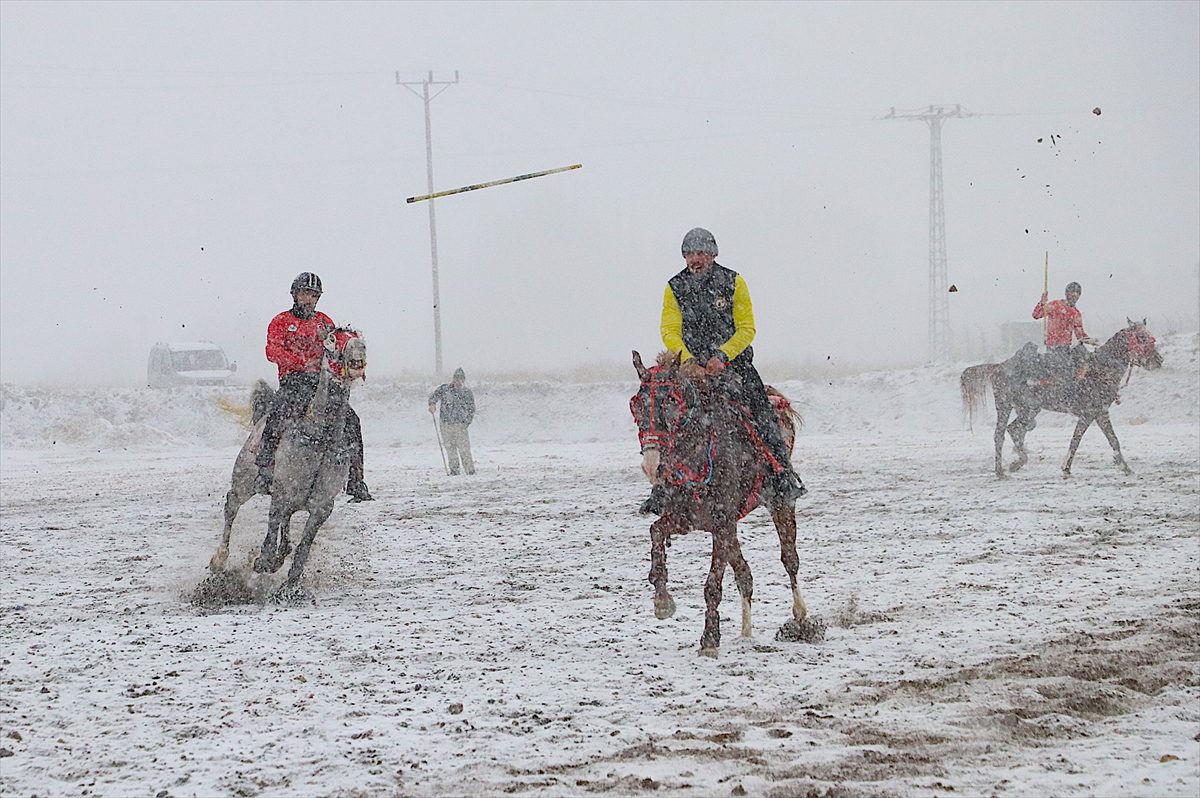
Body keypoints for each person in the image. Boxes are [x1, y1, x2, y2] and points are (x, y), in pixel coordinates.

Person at [640, 227, 807, 515]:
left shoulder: (733, 282)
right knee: (668, 418)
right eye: (689, 253)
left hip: (735, 365)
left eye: (701, 252)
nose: (695, 259)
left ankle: (782, 475)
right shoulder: (674, 287)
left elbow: (746, 328)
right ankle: (663, 489)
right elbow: (669, 329)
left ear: (713, 254)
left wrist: (722, 355)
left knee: (761, 413)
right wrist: (689, 360)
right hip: (691, 369)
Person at [254, 272, 373, 502]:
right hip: (294, 382)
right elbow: (272, 351)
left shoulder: (324, 322)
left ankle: (356, 480)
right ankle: (264, 470)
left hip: (322, 385)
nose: (309, 299)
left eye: (313, 295)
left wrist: (352, 353)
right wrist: (301, 363)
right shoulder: (281, 321)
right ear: (294, 294)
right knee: (278, 414)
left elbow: (337, 346)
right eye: (305, 293)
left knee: (352, 421)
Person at [1032, 281, 1095, 376]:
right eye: (1072, 291)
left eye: (1077, 293)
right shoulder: (1056, 305)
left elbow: (1080, 334)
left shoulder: (1076, 314)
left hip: (1065, 349)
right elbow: (1036, 315)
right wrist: (1042, 302)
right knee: (1066, 371)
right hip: (1053, 348)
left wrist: (1090, 340)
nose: (1075, 294)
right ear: (1066, 293)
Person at [428, 368, 476, 475]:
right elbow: (433, 397)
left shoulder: (467, 393)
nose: (459, 382)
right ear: (453, 379)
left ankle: (470, 470)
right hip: (445, 425)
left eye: (461, 379)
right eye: (457, 379)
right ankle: (454, 470)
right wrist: (432, 404)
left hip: (460, 426)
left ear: (464, 380)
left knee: (464, 449)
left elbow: (471, 409)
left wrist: (466, 423)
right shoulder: (444, 389)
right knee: (450, 448)